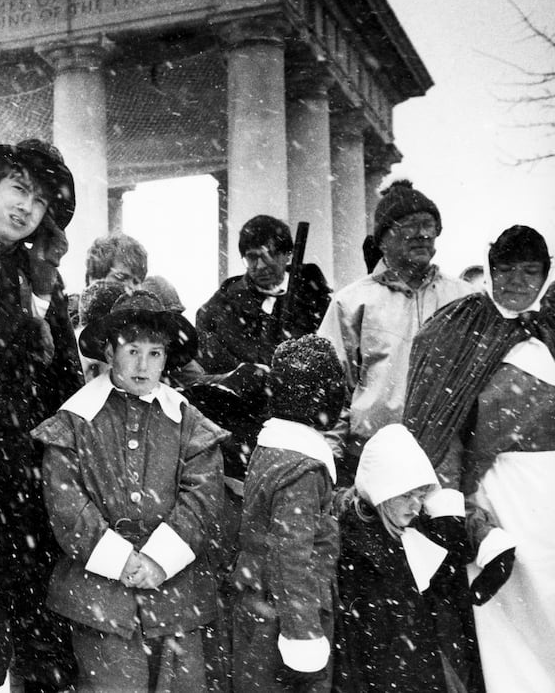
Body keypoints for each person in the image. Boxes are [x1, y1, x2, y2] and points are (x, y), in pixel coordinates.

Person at [32, 290, 226, 693]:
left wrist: (158, 559)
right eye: (132, 350)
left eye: (155, 353)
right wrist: (119, 561)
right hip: (100, 600)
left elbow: (203, 496)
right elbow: (66, 503)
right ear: (108, 349)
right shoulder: (74, 421)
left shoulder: (188, 422)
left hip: (176, 595)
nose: (143, 365)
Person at [0, 139, 81, 693]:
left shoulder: (44, 281)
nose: (27, 207)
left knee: (41, 638)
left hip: (29, 482)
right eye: (19, 189)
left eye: (41, 199)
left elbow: (65, 382)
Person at [403, 225, 555, 691]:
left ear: (546, 275)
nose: (517, 281)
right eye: (506, 269)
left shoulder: (551, 325)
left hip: (547, 489)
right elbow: (438, 422)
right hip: (491, 488)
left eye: (530, 271)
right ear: (490, 271)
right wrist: (455, 501)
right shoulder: (457, 326)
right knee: (503, 618)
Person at [316, 180, 476, 479]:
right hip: (372, 457)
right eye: (410, 225)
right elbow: (332, 388)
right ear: (383, 239)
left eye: (429, 224)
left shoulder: (464, 299)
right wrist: (332, 459)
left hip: (447, 460)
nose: (423, 234)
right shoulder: (351, 302)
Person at [228, 335, 345, 693]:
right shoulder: (302, 470)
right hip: (286, 616)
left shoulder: (273, 450)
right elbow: (291, 557)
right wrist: (303, 639)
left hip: (258, 597)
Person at [333, 425, 478, 692]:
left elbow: (448, 594)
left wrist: (448, 521)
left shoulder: (412, 532)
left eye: (421, 496)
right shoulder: (356, 552)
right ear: (381, 492)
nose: (416, 505)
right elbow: (355, 647)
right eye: (407, 496)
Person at [196, 215, 331, 375]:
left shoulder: (317, 299)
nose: (260, 266)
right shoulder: (222, 306)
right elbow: (209, 355)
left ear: (287, 255)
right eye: (252, 258)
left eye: (268, 256)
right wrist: (249, 375)